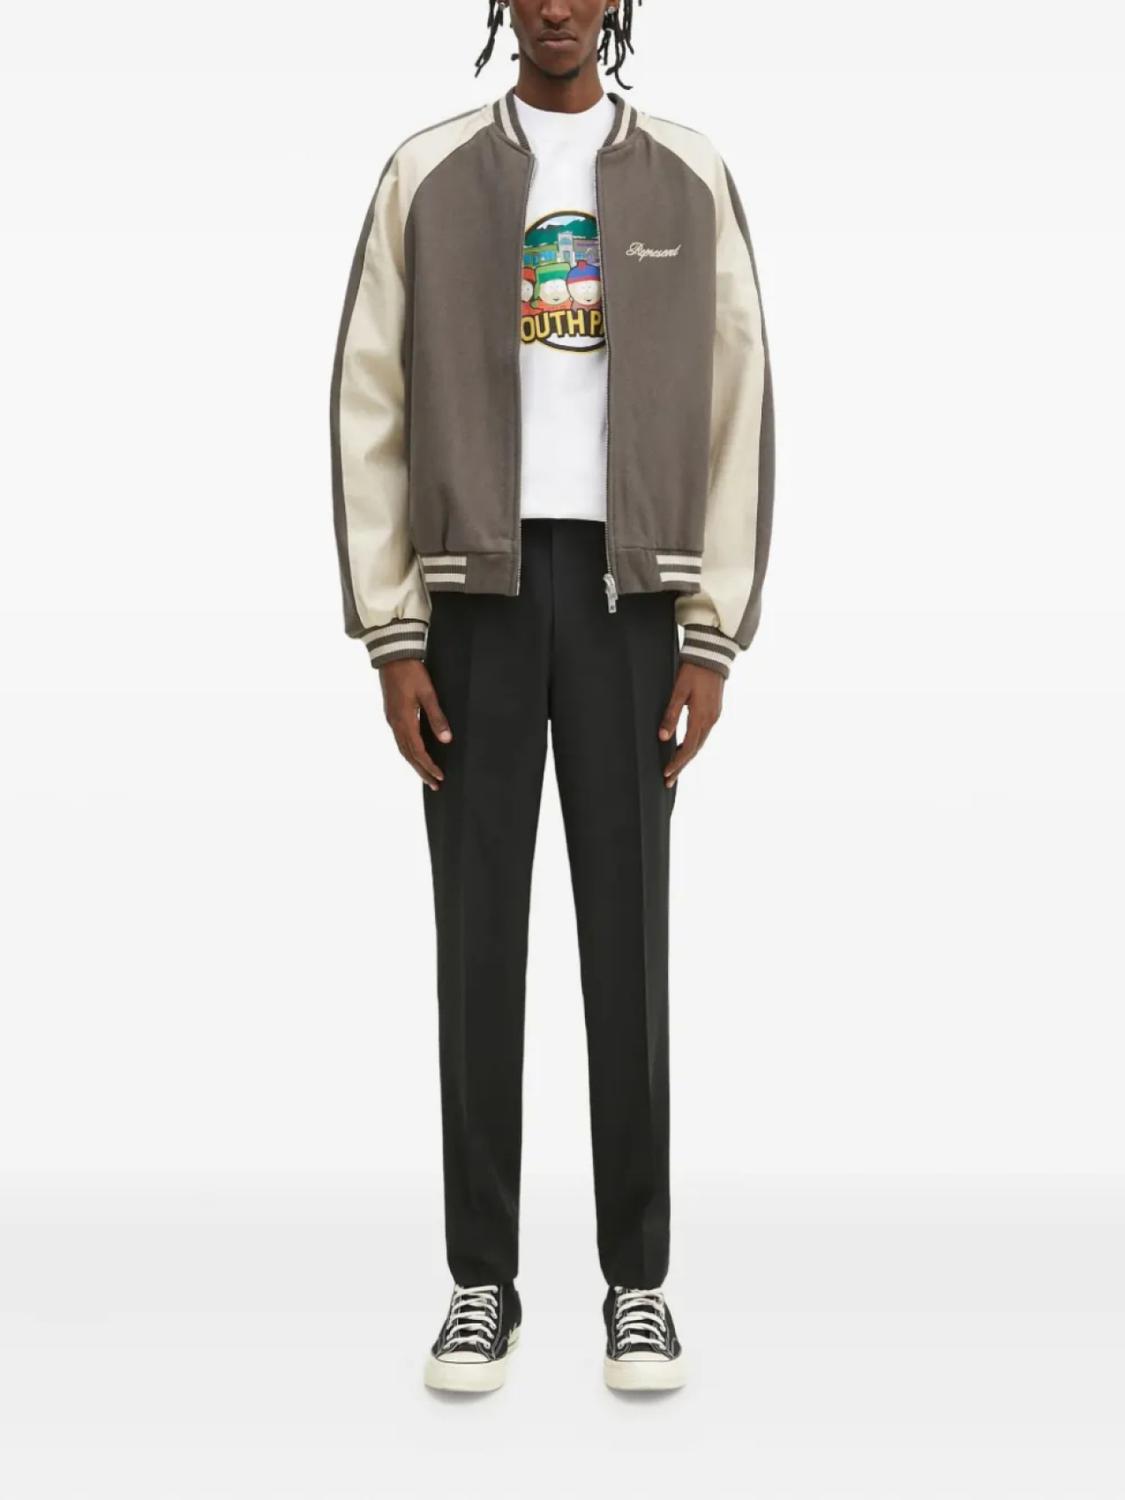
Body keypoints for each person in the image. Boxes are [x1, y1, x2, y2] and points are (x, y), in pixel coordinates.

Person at [330, 0, 774, 1394]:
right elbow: (369, 402)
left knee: (625, 938)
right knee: (478, 940)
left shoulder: (687, 173)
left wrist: (708, 634)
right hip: (474, 598)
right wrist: (394, 632)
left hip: (633, 600)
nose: (558, 7)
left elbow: (739, 401)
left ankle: (637, 1285)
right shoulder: (426, 174)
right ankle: (482, 1281)